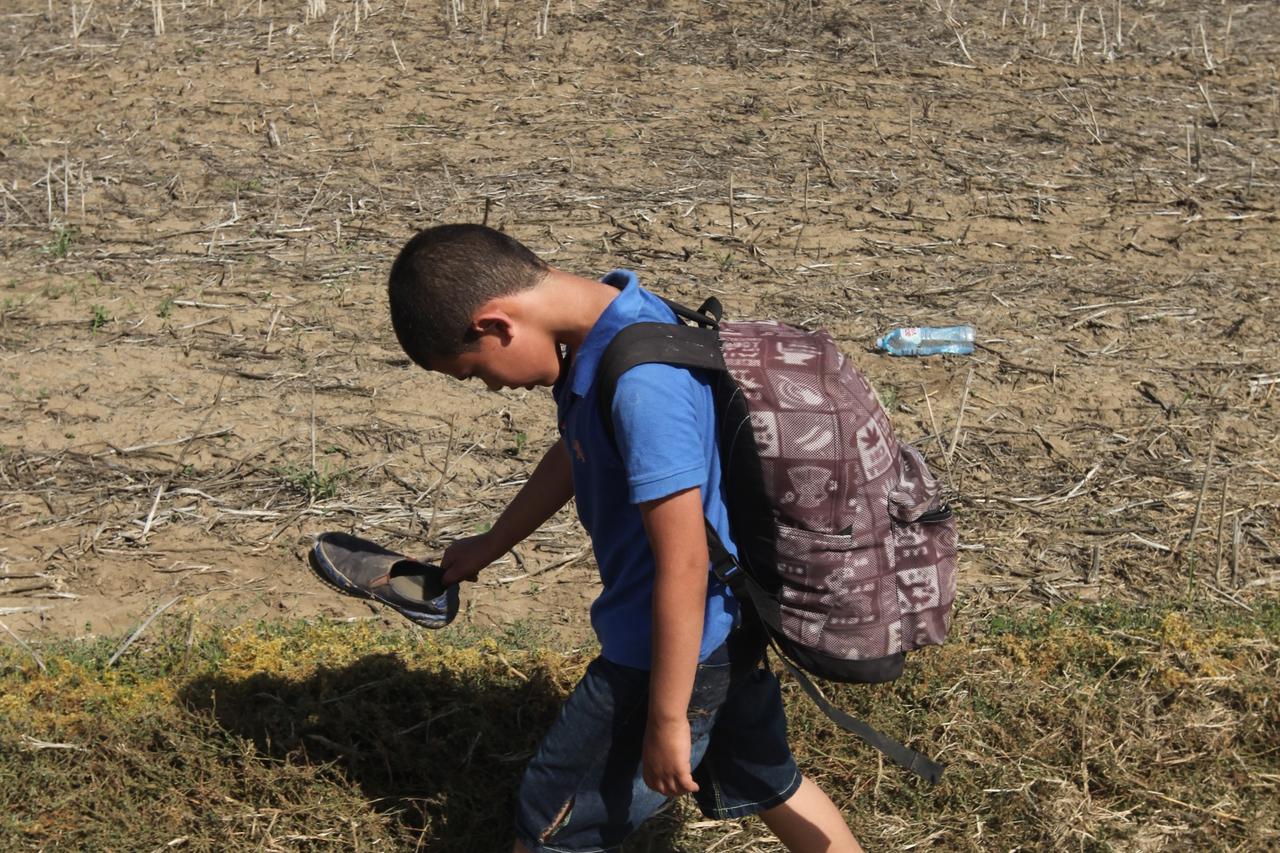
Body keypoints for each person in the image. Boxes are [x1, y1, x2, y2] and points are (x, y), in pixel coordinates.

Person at [387, 223, 863, 853]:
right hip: (725, 626)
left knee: (553, 824)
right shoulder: (624, 323)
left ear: (494, 326)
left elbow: (684, 562)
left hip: (665, 651)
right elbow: (577, 448)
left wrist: (666, 718)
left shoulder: (642, 386)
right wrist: (491, 543)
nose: (495, 388)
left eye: (477, 374)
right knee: (771, 782)